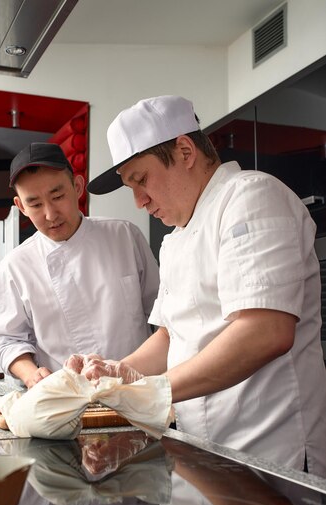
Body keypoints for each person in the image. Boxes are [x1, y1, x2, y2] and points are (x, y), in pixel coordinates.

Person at [66, 95, 326, 478]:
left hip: (273, 449)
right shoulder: (175, 237)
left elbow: (266, 331)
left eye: (141, 180)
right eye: (130, 188)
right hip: (204, 452)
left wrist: (152, 391)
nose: (139, 201)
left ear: (185, 150)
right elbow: (172, 335)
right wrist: (119, 371)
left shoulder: (251, 196)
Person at [0, 142, 159, 389]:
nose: (50, 214)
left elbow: (162, 315)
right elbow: (6, 340)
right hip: (65, 401)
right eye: (35, 204)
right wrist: (32, 376)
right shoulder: (14, 267)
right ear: (21, 206)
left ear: (77, 187)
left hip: (134, 389)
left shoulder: (124, 236)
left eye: (57, 197)